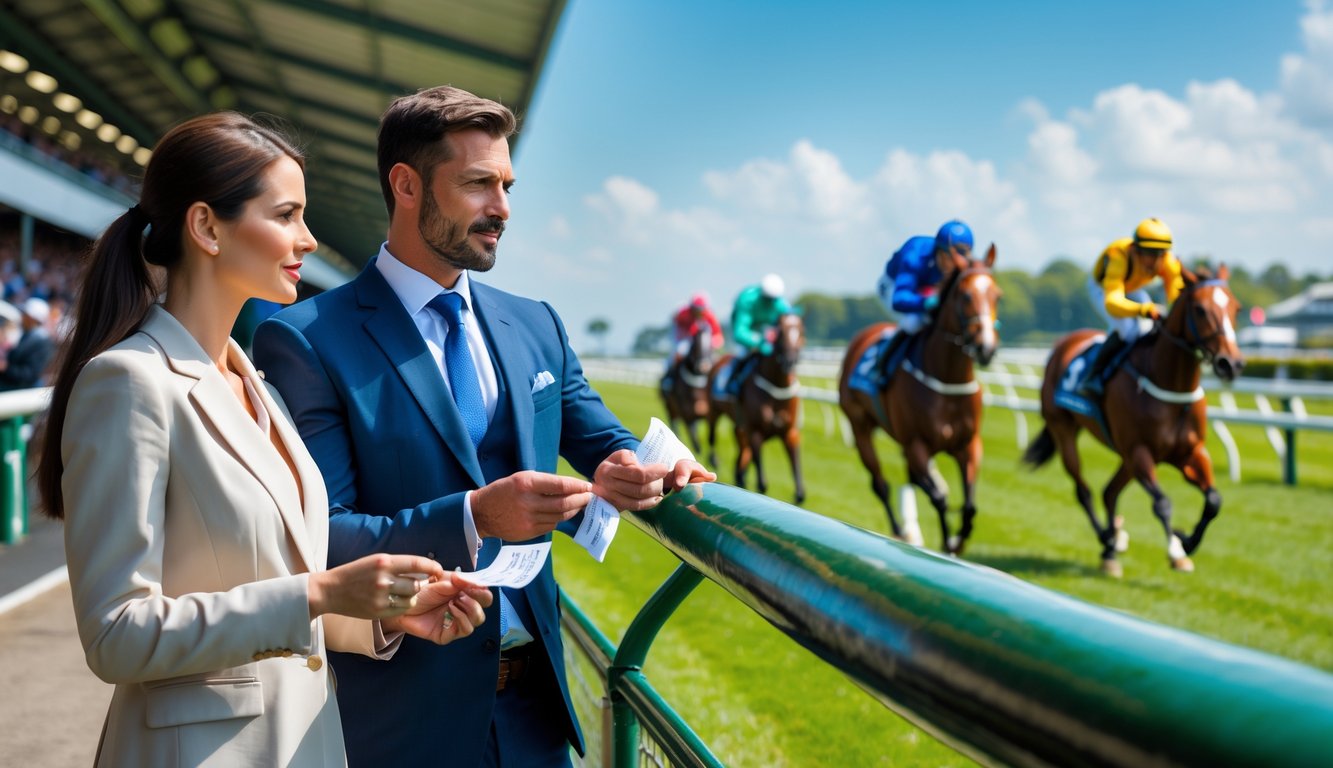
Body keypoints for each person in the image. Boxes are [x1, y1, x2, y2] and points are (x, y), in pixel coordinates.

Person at [252, 86, 716, 767]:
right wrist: (474, 516)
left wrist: (640, 465)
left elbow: (604, 441)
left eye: (505, 185)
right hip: (400, 722)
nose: (500, 209)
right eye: (476, 185)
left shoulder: (537, 324)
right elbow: (321, 537)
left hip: (535, 714)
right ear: (405, 185)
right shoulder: (305, 339)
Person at [36, 112, 491, 767]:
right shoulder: (129, 382)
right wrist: (322, 593)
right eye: (286, 215)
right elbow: (116, 635)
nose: (307, 239)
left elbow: (277, 582)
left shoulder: (257, 383)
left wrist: (382, 613)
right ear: (206, 227)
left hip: (304, 742)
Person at [1077, 217, 1184, 397]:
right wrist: (1143, 310)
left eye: (1161, 253)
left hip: (1132, 287)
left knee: (1149, 327)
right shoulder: (1118, 256)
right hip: (1103, 288)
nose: (1156, 261)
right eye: (1150, 253)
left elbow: (1176, 298)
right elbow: (1112, 303)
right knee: (1127, 330)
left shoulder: (1168, 261)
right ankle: (1093, 376)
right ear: (1136, 250)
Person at [874, 220, 973, 381]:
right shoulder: (915, 254)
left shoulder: (961, 266)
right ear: (939, 252)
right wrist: (927, 303)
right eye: (950, 258)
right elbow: (899, 300)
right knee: (914, 322)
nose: (955, 265)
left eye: (961, 259)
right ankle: (880, 366)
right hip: (893, 288)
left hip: (927, 291)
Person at [725, 273, 793, 395]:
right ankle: (733, 383)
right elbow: (739, 332)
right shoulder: (747, 300)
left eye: (774, 300)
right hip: (747, 334)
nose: (771, 303)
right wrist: (759, 342)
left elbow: (787, 321)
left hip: (765, 333)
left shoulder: (780, 303)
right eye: (768, 299)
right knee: (742, 355)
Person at [663, 292, 722, 384]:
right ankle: (669, 378)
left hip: (702, 341)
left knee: (715, 359)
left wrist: (714, 343)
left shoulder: (709, 316)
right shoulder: (683, 313)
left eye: (700, 309)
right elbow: (676, 326)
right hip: (684, 337)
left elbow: (717, 334)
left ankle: (714, 383)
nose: (698, 312)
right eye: (696, 309)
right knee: (679, 352)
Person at [0, 296, 56, 390]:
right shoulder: (29, 335)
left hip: (19, 390)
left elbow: (30, 374)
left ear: (32, 318)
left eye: (24, 314)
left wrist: (5, 368)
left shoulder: (42, 342)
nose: (21, 316)